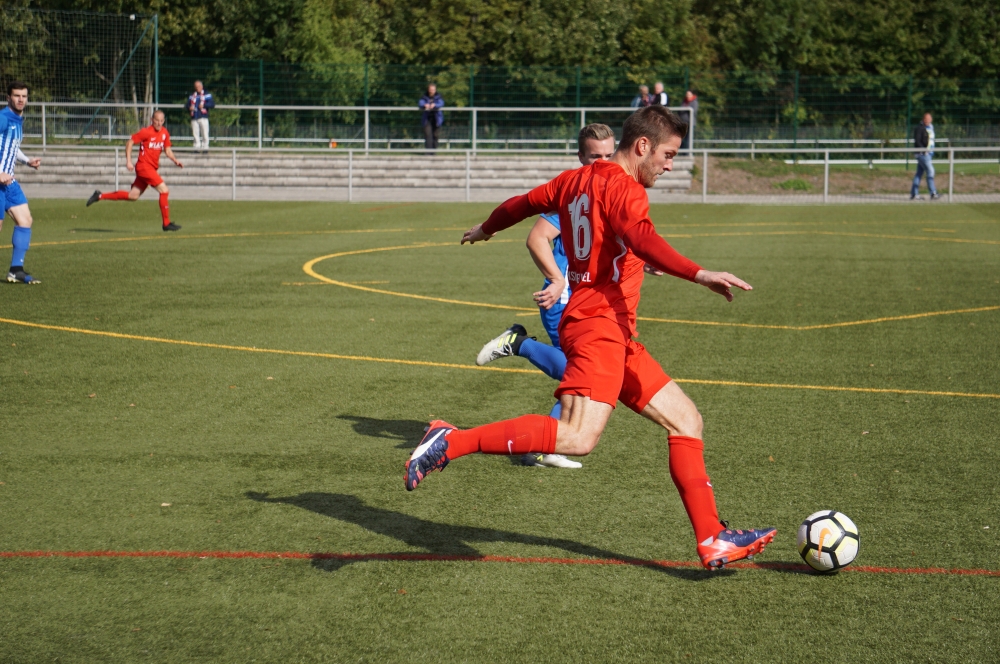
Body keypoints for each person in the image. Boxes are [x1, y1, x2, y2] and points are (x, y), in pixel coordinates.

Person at [405, 106, 775, 570]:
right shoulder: (625, 187)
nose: (670, 165)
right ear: (642, 145)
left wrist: (486, 228)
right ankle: (450, 440)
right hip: (598, 325)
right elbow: (640, 237)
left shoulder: (573, 180)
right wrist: (699, 273)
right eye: (668, 154)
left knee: (687, 421)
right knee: (578, 437)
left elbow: (522, 203)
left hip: (615, 330)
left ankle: (712, 539)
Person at [475, 123, 618, 469]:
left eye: (608, 156)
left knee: (582, 373)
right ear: (580, 157)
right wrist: (555, 280)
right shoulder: (572, 195)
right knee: (578, 372)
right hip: (563, 300)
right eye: (594, 157)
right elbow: (536, 238)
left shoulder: (608, 191)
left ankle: (544, 445)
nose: (602, 163)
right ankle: (520, 345)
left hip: (587, 300)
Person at [86, 110, 184, 231]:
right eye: (156, 120)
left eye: (161, 121)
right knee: (164, 190)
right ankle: (166, 223)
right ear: (152, 120)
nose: (159, 123)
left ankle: (99, 196)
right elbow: (130, 142)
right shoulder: (146, 132)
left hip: (150, 168)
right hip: (144, 167)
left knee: (133, 196)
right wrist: (128, 161)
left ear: (164, 121)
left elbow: (167, 150)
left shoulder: (164, 133)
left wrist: (175, 160)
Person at [1, 81, 42, 284]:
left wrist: (27, 161)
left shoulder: (18, 120)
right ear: (8, 97)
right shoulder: (3, 118)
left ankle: (16, 270)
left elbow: (11, 147)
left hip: (9, 182)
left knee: (25, 220)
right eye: (16, 95)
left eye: (24, 96)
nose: (20, 99)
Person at [911, 112, 940, 201]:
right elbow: (918, 141)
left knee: (919, 174)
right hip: (923, 154)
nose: (927, 121)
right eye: (926, 119)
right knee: (931, 171)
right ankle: (933, 193)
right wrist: (924, 150)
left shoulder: (931, 127)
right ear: (923, 119)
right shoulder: (920, 128)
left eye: (929, 119)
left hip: (928, 154)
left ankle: (914, 194)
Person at [185, 80, 215, 152]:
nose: (197, 88)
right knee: (195, 134)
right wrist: (189, 107)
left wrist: (204, 105)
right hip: (194, 116)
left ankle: (205, 148)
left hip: (203, 116)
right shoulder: (192, 95)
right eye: (196, 87)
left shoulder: (207, 94)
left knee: (204, 133)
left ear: (201, 86)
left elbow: (212, 104)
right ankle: (196, 147)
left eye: (198, 86)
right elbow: (187, 104)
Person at [419, 84, 445, 152]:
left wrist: (435, 105)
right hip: (427, 118)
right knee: (428, 134)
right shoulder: (424, 96)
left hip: (437, 119)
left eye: (433, 90)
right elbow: (420, 103)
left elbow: (441, 103)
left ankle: (434, 151)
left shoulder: (438, 96)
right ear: (428, 89)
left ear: (435, 90)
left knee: (435, 135)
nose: (432, 91)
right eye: (430, 89)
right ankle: (428, 152)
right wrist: (425, 105)